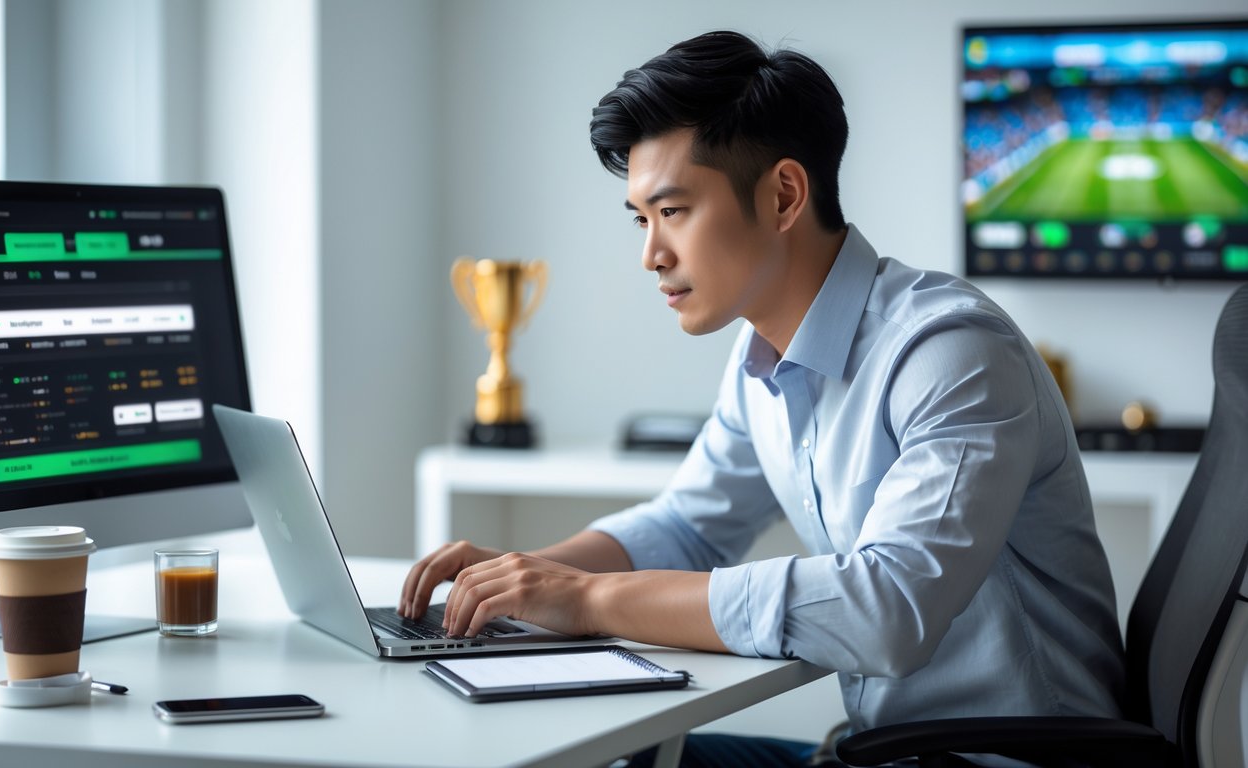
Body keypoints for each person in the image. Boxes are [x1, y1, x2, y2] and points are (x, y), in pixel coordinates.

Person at [400, 30, 1124, 766]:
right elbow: (686, 528)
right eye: (641, 219)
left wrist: (586, 600)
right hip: (875, 752)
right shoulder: (759, 360)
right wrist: (518, 580)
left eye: (673, 211)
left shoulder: (951, 354)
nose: (650, 254)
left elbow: (889, 610)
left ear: (783, 196)